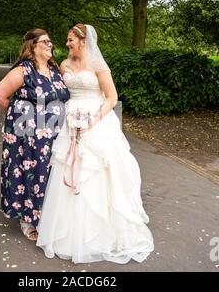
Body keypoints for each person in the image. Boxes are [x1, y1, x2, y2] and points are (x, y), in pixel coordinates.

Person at [36, 24, 154, 264]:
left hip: (97, 120)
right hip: (71, 121)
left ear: (83, 41)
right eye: (67, 40)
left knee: (96, 170)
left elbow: (111, 98)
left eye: (70, 40)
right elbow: (61, 92)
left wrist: (92, 120)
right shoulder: (64, 65)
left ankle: (100, 232)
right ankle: (66, 232)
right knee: (68, 169)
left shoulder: (99, 65)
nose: (67, 44)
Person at [0, 28, 70, 241]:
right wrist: (22, 120)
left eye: (50, 42)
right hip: (28, 135)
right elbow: (0, 95)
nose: (50, 45)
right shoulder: (24, 70)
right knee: (31, 173)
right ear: (32, 46)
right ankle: (28, 221)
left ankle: (48, 217)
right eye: (45, 42)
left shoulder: (55, 70)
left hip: (55, 133)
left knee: (49, 175)